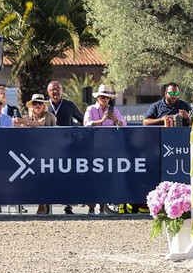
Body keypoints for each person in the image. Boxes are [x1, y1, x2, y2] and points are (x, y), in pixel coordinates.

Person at [83, 84, 126, 215]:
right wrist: (101, 120)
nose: (105, 99)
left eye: (107, 97)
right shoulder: (91, 109)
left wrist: (116, 121)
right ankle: (91, 207)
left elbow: (124, 124)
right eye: (102, 97)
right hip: (93, 148)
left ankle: (101, 207)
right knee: (93, 177)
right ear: (98, 97)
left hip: (108, 148)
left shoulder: (113, 110)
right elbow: (87, 123)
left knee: (105, 177)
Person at [46, 80, 84, 214]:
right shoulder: (44, 106)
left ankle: (68, 205)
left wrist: (76, 135)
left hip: (67, 147)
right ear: (48, 92)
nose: (55, 92)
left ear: (62, 91)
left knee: (67, 175)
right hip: (48, 148)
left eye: (57, 89)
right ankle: (45, 205)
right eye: (52, 90)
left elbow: (82, 120)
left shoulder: (69, 105)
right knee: (48, 175)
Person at [15, 94, 56, 215]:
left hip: (48, 153)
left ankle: (42, 205)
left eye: (40, 103)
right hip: (30, 153)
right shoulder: (28, 117)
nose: (37, 105)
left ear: (44, 105)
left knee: (44, 180)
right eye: (35, 103)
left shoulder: (50, 116)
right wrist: (22, 122)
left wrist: (23, 122)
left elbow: (40, 124)